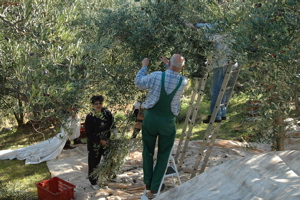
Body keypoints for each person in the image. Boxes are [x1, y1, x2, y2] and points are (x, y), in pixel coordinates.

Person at [135, 54, 188, 194]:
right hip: (167, 122)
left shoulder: (156, 76)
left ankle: (148, 182)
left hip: (151, 119)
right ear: (182, 67)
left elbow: (139, 82)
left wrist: (144, 66)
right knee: (164, 154)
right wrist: (169, 64)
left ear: (169, 62)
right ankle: (155, 186)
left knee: (148, 151)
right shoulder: (183, 81)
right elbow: (172, 74)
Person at [84, 95, 114, 190]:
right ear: (92, 105)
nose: (98, 105)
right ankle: (93, 181)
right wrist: (99, 141)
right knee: (94, 162)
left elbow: (112, 123)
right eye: (96, 104)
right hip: (94, 144)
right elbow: (88, 134)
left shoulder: (107, 113)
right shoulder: (90, 117)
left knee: (109, 159)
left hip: (107, 142)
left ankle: (111, 176)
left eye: (100, 103)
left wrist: (115, 132)